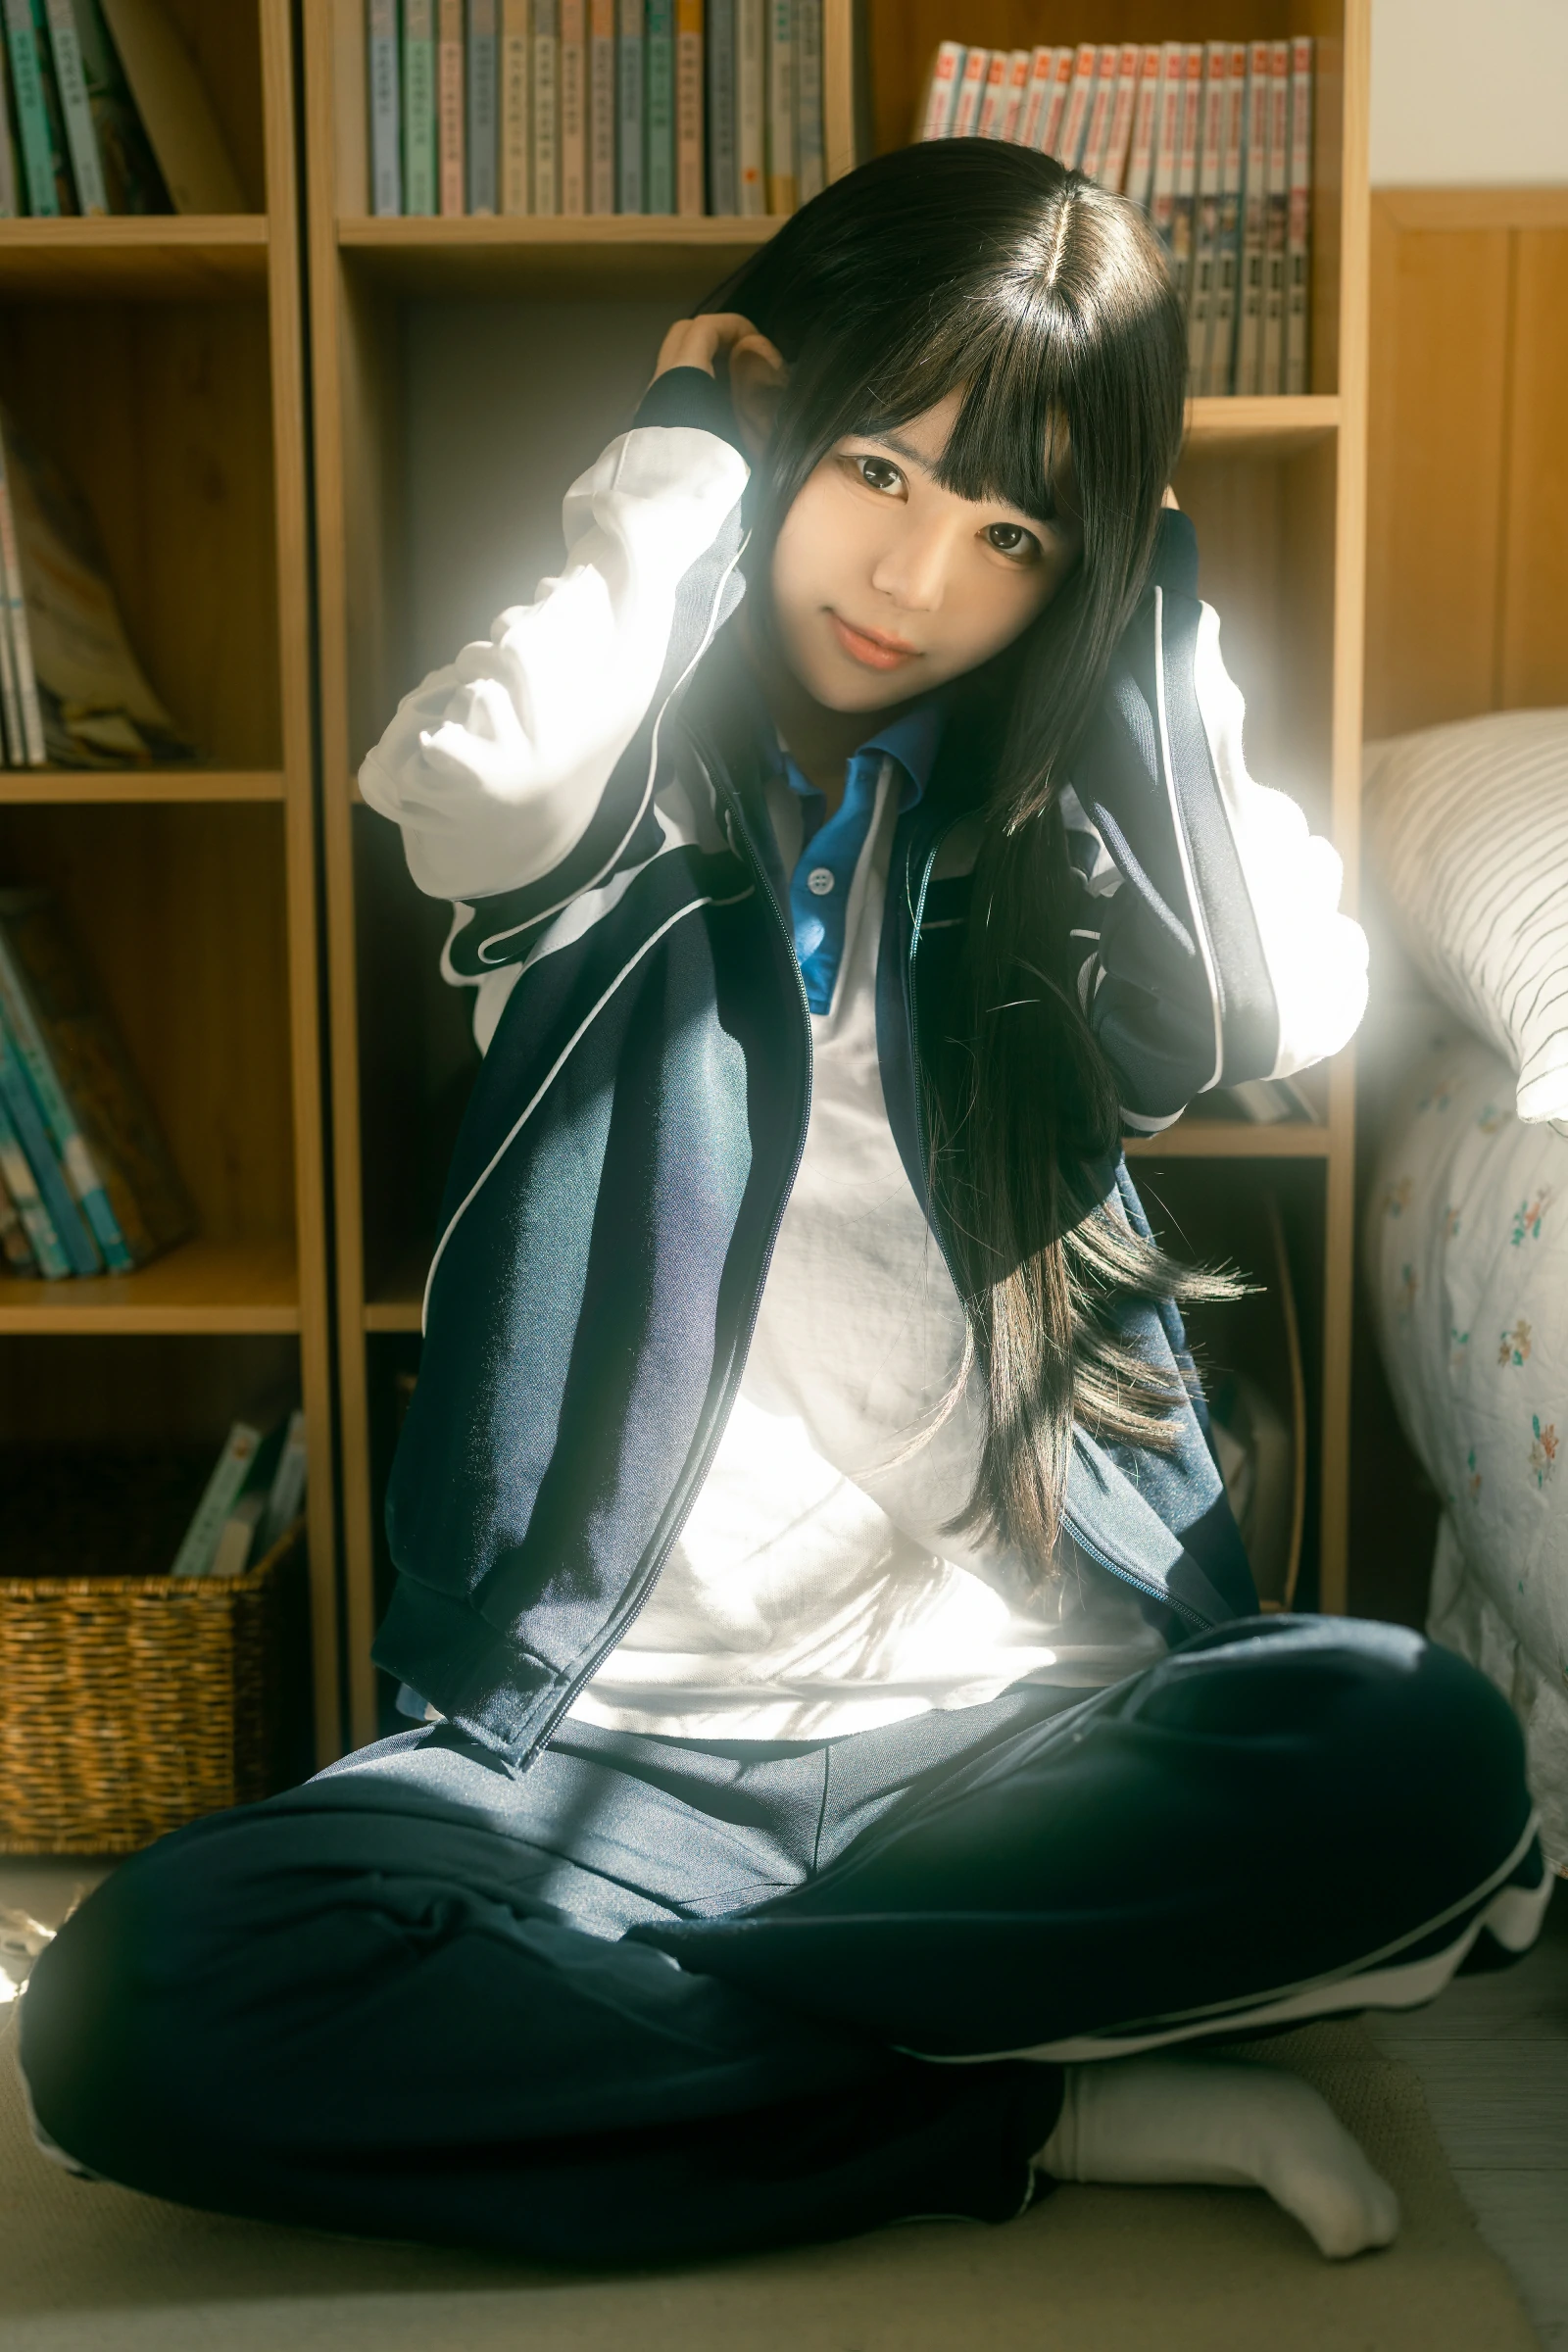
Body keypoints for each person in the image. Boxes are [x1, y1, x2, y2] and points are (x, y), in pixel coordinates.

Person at [21, 142, 1548, 2268]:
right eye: (872, 467)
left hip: (1016, 1741)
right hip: (614, 1754)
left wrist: (1150, 604)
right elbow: (465, 780)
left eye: (1013, 533)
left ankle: (664, 2044)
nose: (913, 579)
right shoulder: (605, 817)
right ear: (771, 423)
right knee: (135, 2005)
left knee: (1423, 1752)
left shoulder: (1049, 874)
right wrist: (675, 470)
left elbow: (1293, 1003)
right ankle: (1024, 2103)